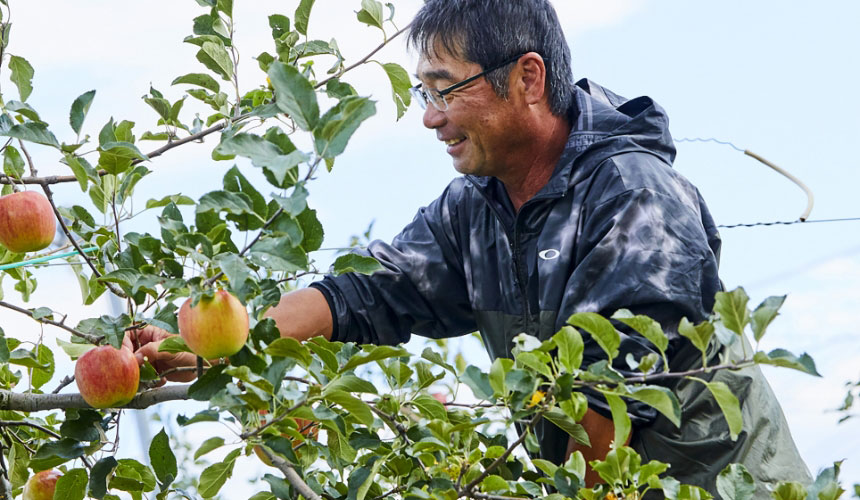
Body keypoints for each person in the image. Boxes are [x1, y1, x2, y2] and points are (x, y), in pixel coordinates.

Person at [132, 0, 811, 495]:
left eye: (444, 89)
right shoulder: (476, 208)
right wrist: (225, 344)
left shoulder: (635, 200)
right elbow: (368, 292)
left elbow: (602, 431)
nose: (430, 117)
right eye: (423, 94)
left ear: (527, 78)